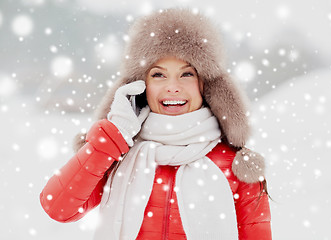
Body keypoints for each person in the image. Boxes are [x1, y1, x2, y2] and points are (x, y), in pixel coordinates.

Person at [40, 8, 272, 240]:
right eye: (158, 75)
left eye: (187, 74)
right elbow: (58, 207)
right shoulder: (116, 154)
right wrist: (111, 137)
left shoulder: (236, 165)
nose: (173, 87)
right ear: (141, 85)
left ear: (206, 85)